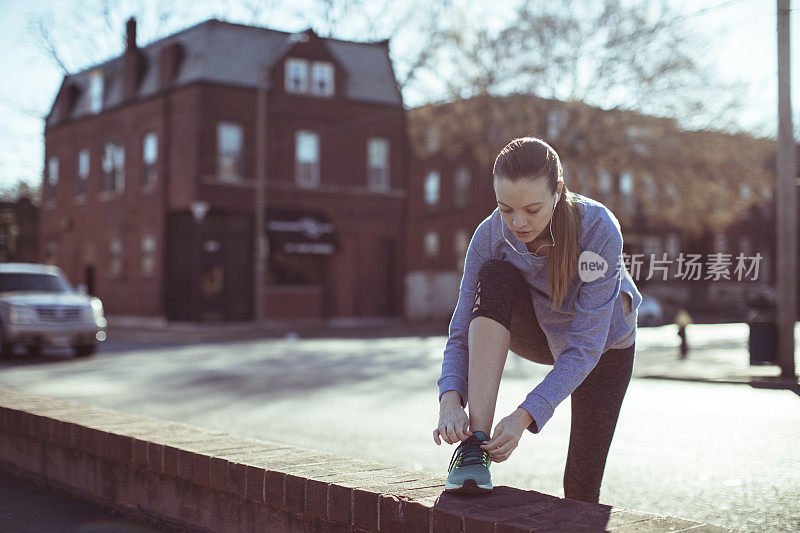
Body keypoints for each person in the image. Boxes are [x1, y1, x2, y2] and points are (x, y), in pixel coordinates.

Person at [433, 137, 641, 504]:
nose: (517, 222)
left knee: (580, 485)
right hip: (538, 333)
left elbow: (584, 347)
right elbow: (462, 326)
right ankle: (474, 449)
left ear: (558, 192)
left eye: (531, 209)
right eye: (505, 208)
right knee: (495, 274)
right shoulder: (490, 235)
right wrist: (450, 398)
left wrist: (524, 416)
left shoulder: (598, 230)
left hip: (603, 346)